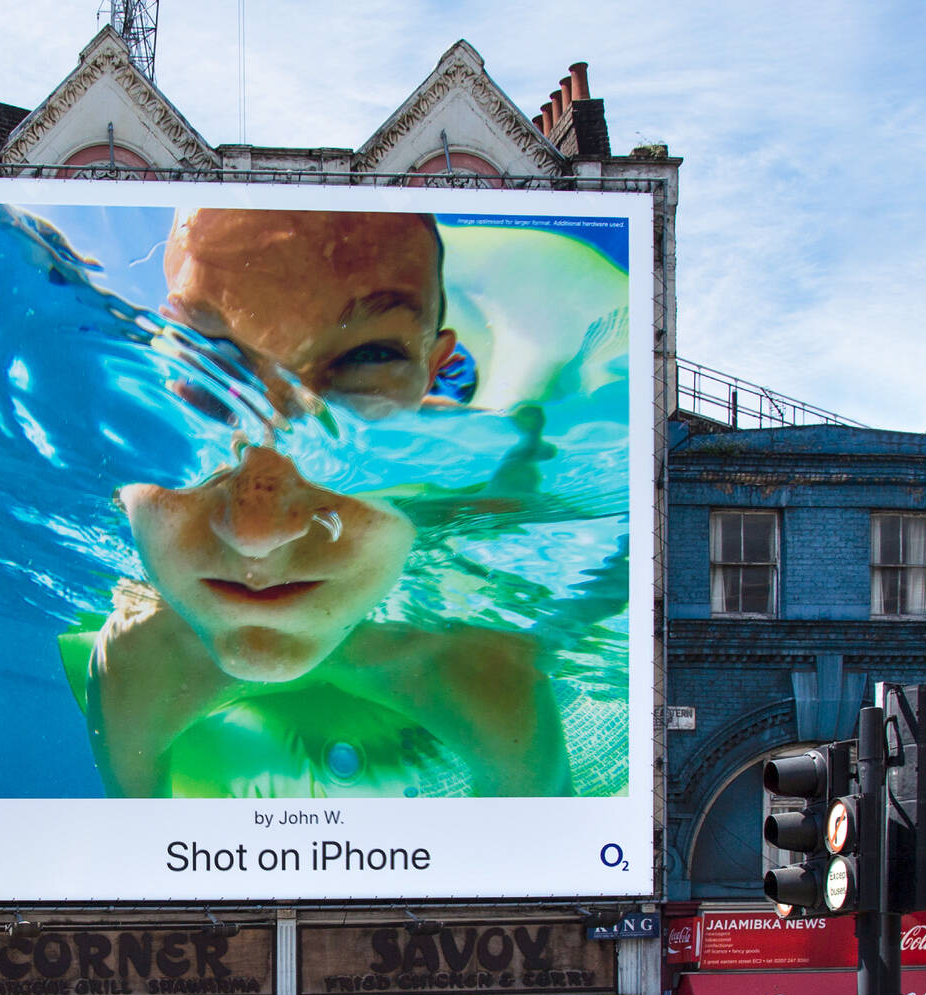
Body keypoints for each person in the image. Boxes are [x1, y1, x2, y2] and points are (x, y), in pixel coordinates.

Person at [79, 208, 574, 799]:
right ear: (167, 352)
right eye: (212, 359)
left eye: (369, 358)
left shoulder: (471, 652)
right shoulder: (142, 654)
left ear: (432, 367)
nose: (254, 535)